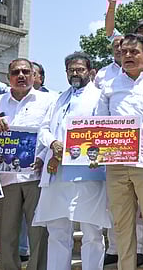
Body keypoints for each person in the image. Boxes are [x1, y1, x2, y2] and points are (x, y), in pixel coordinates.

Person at [96, 34, 143, 270]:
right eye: (124, 51)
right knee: (121, 227)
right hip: (116, 166)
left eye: (134, 52)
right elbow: (99, 124)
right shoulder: (109, 86)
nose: (128, 56)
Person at [33, 52, 112, 270]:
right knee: (57, 230)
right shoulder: (58, 98)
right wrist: (53, 143)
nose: (75, 73)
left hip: (88, 171)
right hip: (57, 170)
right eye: (71, 70)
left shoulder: (100, 97)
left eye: (80, 69)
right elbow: (44, 129)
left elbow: (104, 131)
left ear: (91, 72)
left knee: (92, 231)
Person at [0, 58, 53, 270]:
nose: (21, 76)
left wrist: (42, 157)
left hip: (36, 176)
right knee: (6, 233)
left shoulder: (49, 101)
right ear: (8, 77)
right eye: (16, 72)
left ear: (34, 76)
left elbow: (50, 133)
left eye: (25, 71)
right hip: (6, 178)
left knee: (39, 233)